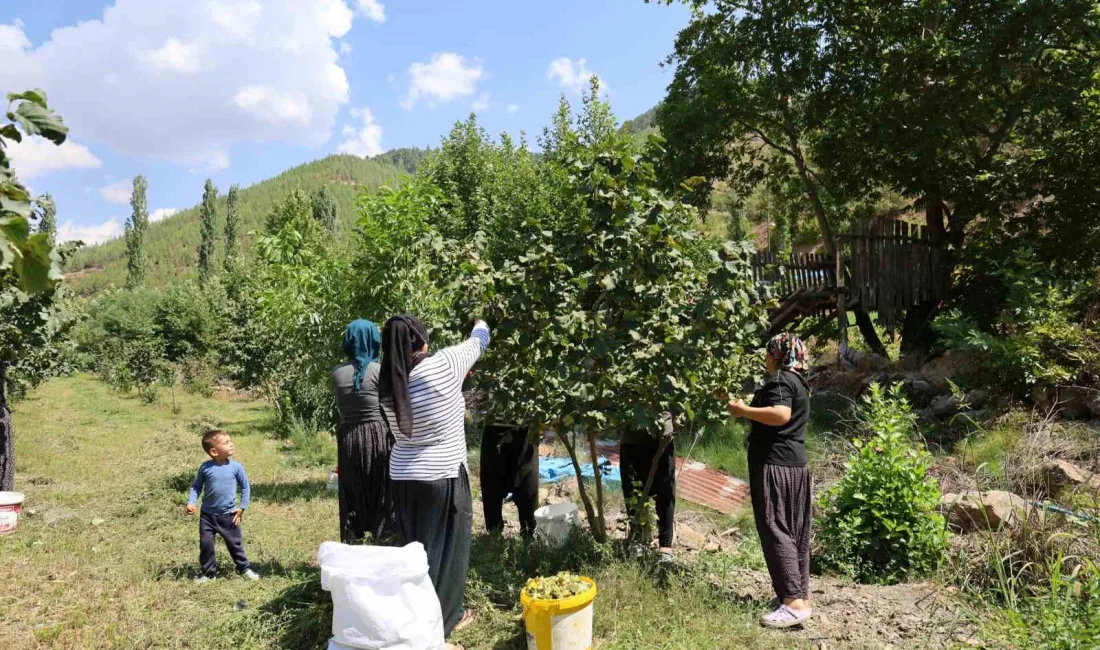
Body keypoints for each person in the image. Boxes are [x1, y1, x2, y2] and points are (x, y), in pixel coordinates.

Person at [380, 316, 490, 647]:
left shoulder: (387, 380)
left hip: (402, 474)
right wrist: (480, 318)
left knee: (417, 550)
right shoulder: (442, 365)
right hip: (441, 474)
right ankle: (443, 622)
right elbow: (479, 341)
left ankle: (417, 612)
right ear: (422, 341)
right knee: (449, 551)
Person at [728, 333, 812, 628]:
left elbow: (780, 414)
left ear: (776, 355)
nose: (766, 359)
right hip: (796, 465)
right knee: (794, 530)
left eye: (768, 353)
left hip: (774, 464)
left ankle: (792, 603)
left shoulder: (779, 381)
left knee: (775, 527)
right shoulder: (800, 383)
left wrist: (743, 411)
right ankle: (798, 597)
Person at [331, 319, 393, 543]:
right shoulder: (380, 371)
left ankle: (352, 537)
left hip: (348, 436)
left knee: (353, 486)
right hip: (377, 435)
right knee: (381, 489)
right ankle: (383, 537)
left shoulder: (336, 373)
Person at [186, 429, 260, 584]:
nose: (232, 444)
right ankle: (209, 574)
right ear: (214, 451)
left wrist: (242, 507)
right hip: (207, 516)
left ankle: (244, 568)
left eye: (231, 441)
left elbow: (245, 487)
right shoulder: (205, 468)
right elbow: (196, 487)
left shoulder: (236, 467)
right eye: (226, 443)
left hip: (229, 515)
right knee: (206, 545)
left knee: (235, 544)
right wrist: (192, 502)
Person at [620, 411, 676, 560]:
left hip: (663, 434)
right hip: (633, 435)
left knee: (665, 490)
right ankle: (639, 538)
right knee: (632, 489)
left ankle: (665, 545)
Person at [479, 420, 538, 538]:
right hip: (494, 425)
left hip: (525, 428)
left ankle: (529, 537)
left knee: (527, 485)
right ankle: (494, 536)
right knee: (491, 487)